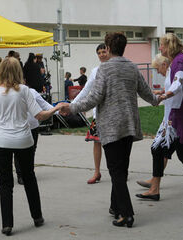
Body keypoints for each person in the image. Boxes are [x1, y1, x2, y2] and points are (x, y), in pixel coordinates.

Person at [60, 32, 161, 228]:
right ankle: (116, 207)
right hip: (129, 125)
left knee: (116, 171)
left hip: (112, 126)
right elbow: (147, 93)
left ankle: (126, 214)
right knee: (121, 169)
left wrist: (71, 107)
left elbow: (93, 98)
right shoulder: (132, 67)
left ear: (108, 47)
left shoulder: (104, 69)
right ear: (124, 47)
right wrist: (158, 99)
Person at [0, 57, 63, 236]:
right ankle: (37, 216)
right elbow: (40, 115)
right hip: (23, 140)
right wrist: (56, 108)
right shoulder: (25, 91)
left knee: (5, 183)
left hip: (1, 141)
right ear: (19, 71)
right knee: (29, 178)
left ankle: (7, 224)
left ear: (0, 71)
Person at [135, 33, 183, 205]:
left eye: (161, 45)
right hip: (171, 117)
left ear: (169, 45)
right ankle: (154, 189)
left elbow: (179, 83)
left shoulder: (181, 61)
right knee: (158, 150)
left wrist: (164, 95)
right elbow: (174, 85)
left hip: (178, 118)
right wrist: (163, 93)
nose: (160, 48)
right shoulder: (176, 62)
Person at [72, 43, 109, 184]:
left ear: (109, 51)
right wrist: (72, 105)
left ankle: (119, 170)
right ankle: (97, 171)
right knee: (97, 143)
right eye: (99, 52)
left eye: (104, 51)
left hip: (113, 114)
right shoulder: (95, 71)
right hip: (98, 113)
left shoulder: (116, 68)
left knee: (115, 144)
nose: (101, 55)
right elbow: (86, 90)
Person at [14, 87, 57, 185]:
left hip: (33, 126)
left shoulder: (32, 92)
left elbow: (44, 105)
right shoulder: (11, 92)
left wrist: (57, 110)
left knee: (31, 150)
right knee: (18, 151)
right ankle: (20, 174)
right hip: (19, 127)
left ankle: (29, 172)